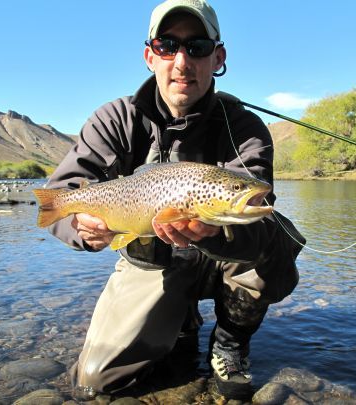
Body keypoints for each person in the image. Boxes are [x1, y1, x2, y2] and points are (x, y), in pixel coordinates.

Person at [45, 0, 305, 400]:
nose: (182, 61)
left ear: (218, 57)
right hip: (154, 261)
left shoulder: (245, 127)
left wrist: (207, 231)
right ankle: (179, 320)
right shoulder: (114, 119)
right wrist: (79, 226)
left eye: (197, 47)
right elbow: (64, 191)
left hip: (225, 257)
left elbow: (254, 210)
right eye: (168, 46)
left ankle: (231, 340)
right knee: (96, 381)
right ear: (150, 56)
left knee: (274, 231)